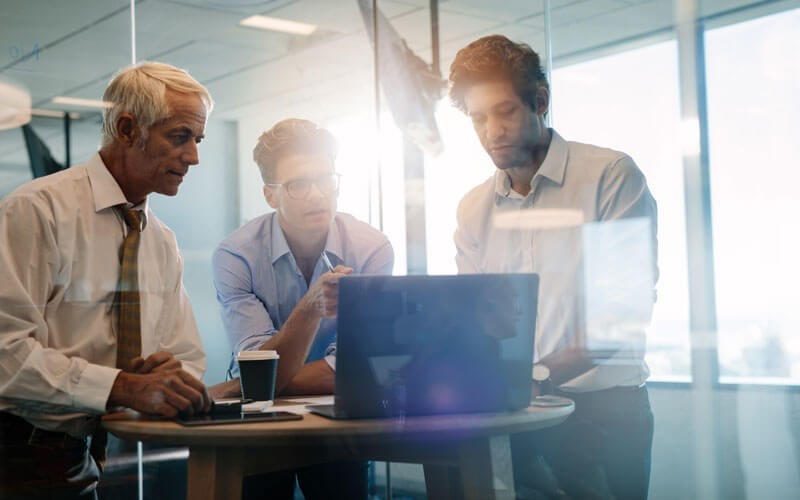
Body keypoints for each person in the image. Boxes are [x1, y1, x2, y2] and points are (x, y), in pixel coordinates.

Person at [449, 35, 658, 499]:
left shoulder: (611, 176)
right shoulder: (473, 208)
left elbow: (621, 314)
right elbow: (475, 318)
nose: (491, 132)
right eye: (478, 118)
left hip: (604, 414)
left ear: (540, 101)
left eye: (504, 111)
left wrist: (535, 376)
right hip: (515, 416)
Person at [0, 61, 213, 499]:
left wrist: (169, 375)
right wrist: (121, 385)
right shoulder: (37, 211)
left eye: (197, 140)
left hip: (80, 461)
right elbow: (6, 355)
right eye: (180, 136)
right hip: (12, 459)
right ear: (127, 129)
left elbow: (186, 355)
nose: (193, 157)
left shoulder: (161, 241)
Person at [210, 118, 394, 499]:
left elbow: (356, 367)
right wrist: (310, 307)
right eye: (298, 184)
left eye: (326, 179)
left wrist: (243, 385)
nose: (316, 195)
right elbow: (262, 373)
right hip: (259, 421)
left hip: (336, 418)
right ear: (270, 194)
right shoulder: (236, 255)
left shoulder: (371, 248)